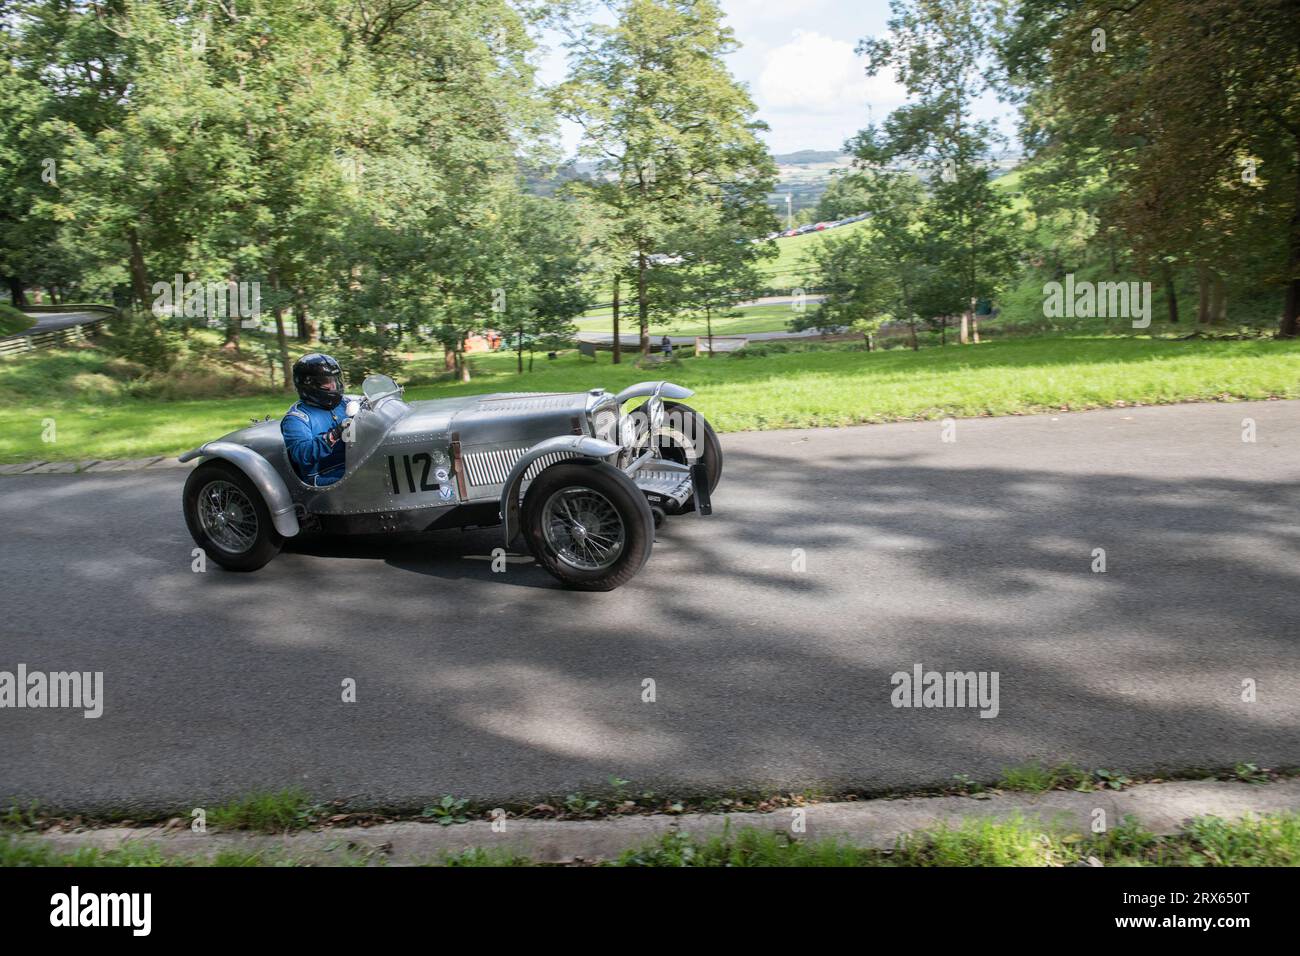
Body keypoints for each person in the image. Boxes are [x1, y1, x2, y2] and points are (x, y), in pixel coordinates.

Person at [282, 353, 350, 486]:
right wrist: (335, 434)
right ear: (309, 384)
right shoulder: (296, 419)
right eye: (326, 382)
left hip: (353, 465)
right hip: (323, 476)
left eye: (335, 380)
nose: (333, 386)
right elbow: (302, 455)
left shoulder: (345, 403)